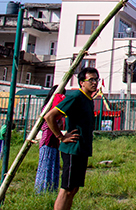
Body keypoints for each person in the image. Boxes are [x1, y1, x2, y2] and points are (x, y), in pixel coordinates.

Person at [45, 67, 98, 210]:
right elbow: (49, 116)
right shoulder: (75, 97)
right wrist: (60, 136)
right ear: (82, 82)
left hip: (82, 149)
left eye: (96, 79)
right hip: (72, 149)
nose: (94, 82)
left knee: (74, 189)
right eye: (91, 80)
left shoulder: (88, 99)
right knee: (66, 189)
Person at [35, 85, 65, 194]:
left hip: (54, 140)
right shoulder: (48, 109)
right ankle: (42, 190)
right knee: (46, 165)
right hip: (48, 139)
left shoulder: (53, 108)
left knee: (52, 165)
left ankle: (50, 189)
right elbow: (49, 121)